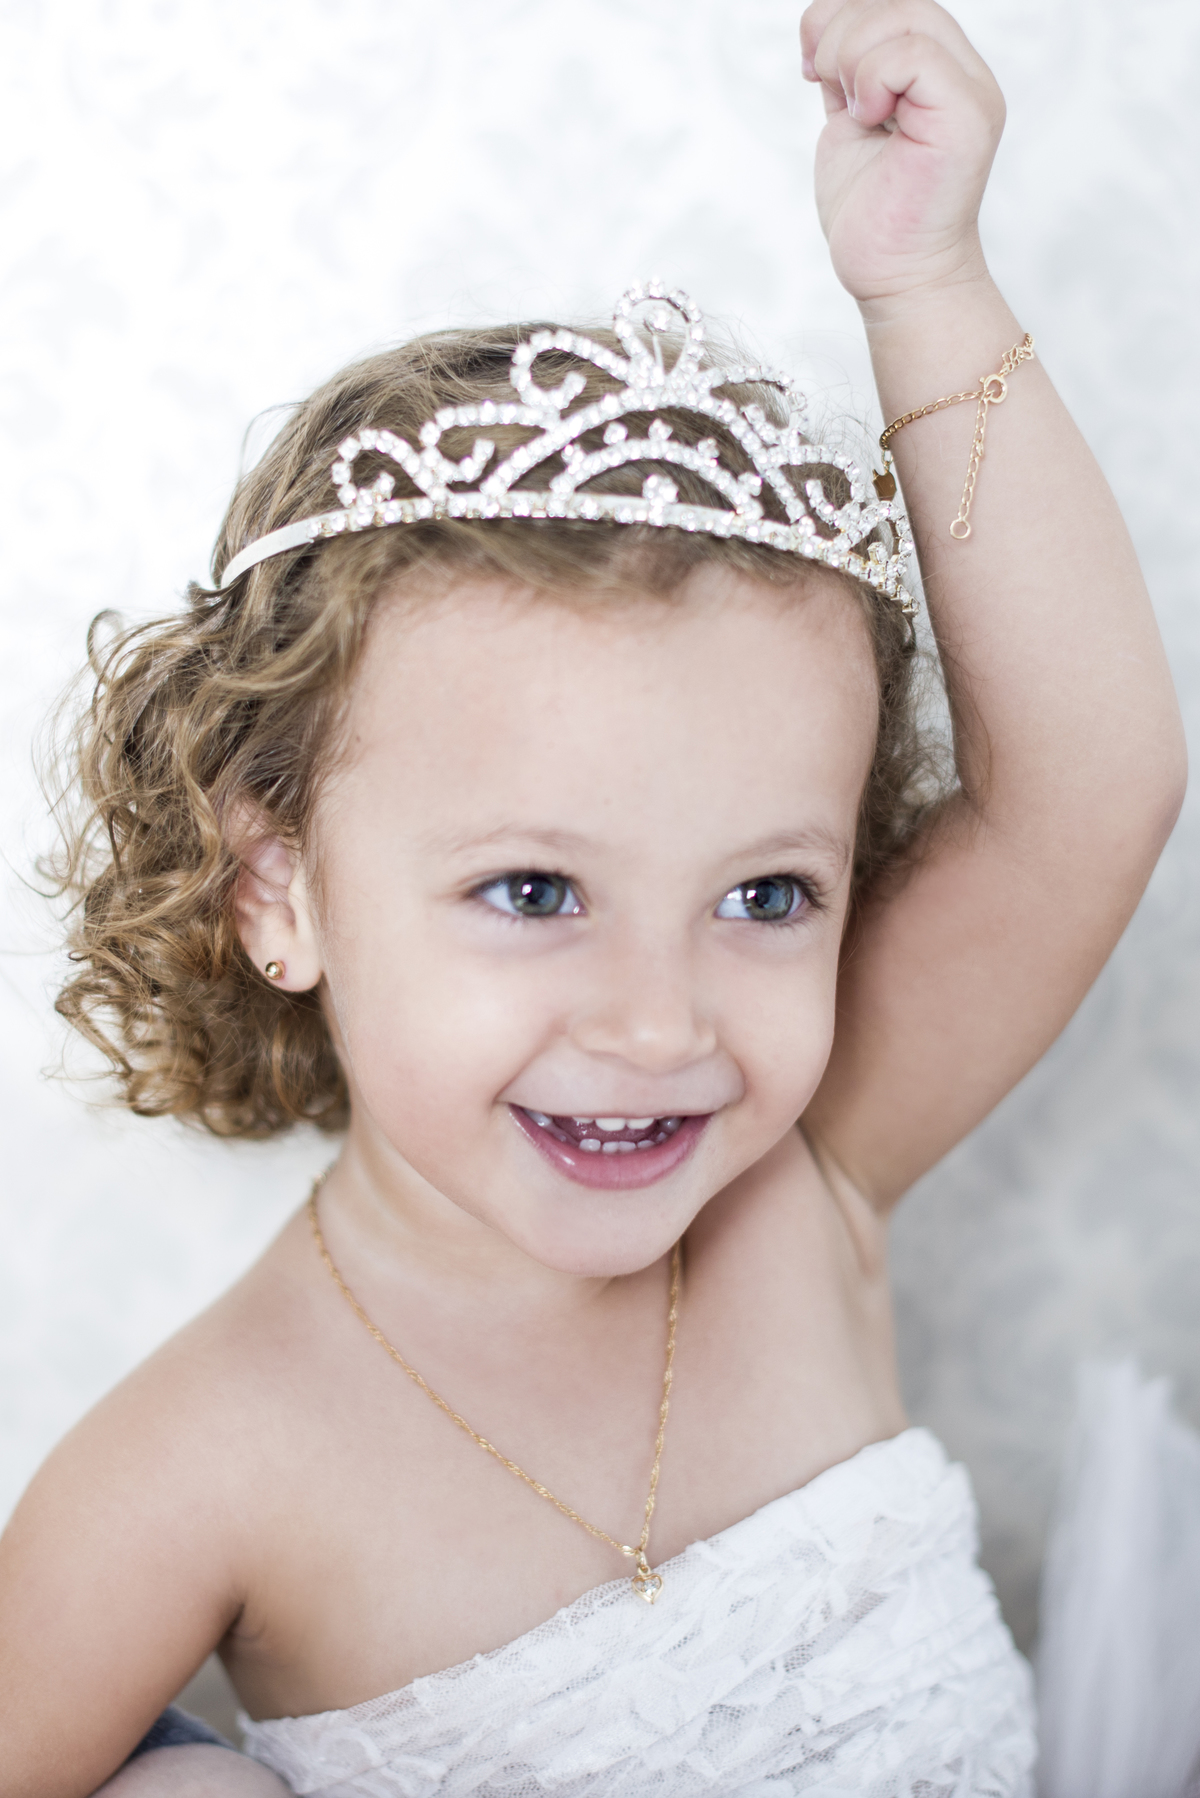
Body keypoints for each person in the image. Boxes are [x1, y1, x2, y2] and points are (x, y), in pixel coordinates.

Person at [0, 0, 1184, 1792]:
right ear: (275, 888)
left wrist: (922, 281)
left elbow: (1091, 792)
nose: (659, 1019)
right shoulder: (200, 1462)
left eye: (766, 896)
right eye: (537, 887)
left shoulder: (803, 1185)